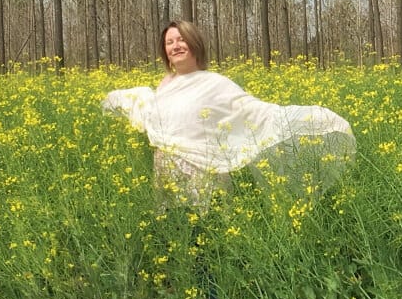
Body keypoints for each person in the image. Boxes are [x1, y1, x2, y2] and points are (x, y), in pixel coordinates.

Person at [103, 20, 356, 208]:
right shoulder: (164, 84)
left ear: (194, 45)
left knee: (207, 247)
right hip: (168, 176)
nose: (175, 46)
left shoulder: (214, 83)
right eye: (169, 42)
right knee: (175, 240)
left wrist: (312, 119)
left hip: (204, 177)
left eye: (181, 40)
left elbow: (255, 112)